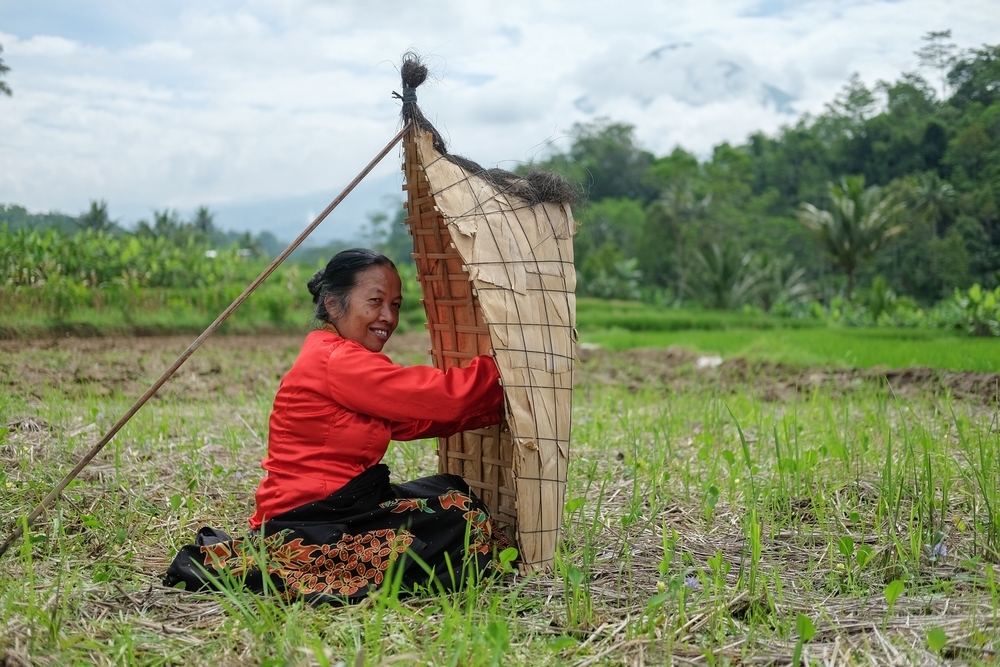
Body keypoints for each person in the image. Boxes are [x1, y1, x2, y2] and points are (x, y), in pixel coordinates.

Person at [164, 248, 511, 604]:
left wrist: (491, 409)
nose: (388, 317)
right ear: (333, 304)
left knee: (449, 491)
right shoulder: (336, 360)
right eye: (375, 301)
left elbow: (414, 417)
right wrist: (506, 370)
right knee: (459, 518)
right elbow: (441, 398)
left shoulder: (340, 356)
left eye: (396, 304)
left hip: (339, 508)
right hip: (311, 520)